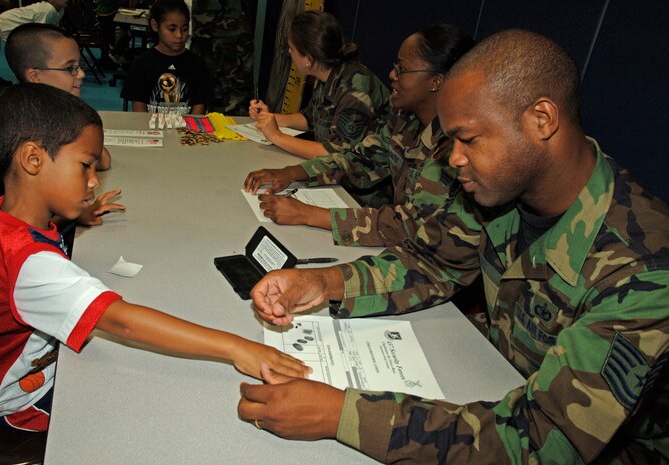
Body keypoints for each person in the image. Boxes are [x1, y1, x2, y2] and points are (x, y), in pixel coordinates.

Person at [237, 29, 669, 464]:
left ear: (541, 120)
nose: (453, 158)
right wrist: (321, 283)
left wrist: (338, 414)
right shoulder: (503, 191)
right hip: (497, 385)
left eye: (468, 139)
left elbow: (540, 444)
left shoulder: (644, 273)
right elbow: (431, 264)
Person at [0, 83, 310, 432]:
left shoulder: (0, 217)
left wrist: (69, 215)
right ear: (33, 159)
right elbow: (122, 322)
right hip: (19, 398)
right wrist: (239, 348)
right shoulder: (29, 263)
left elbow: (29, 247)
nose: (92, 182)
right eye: (85, 166)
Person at [244, 24, 475, 247]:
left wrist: (308, 214)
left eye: (402, 69)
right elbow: (360, 160)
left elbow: (408, 226)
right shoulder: (404, 119)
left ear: (436, 81)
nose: (392, 74)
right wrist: (294, 172)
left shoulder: (453, 148)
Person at [0, 23, 117, 227]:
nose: (80, 74)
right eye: (70, 68)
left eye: (78, 66)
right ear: (35, 76)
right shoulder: (25, 128)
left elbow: (103, 160)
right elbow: (24, 222)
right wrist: (79, 213)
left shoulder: (51, 114)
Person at [248, 10, 390, 160]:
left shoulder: (354, 93)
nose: (289, 52)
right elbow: (309, 119)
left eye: (292, 48)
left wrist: (276, 136)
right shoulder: (327, 72)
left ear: (308, 59)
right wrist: (269, 118)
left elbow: (333, 154)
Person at [121, 0, 212, 115]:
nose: (179, 35)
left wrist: (189, 131)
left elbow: (199, 107)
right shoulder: (142, 63)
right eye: (172, 29)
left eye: (184, 29)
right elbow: (139, 107)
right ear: (155, 25)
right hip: (150, 129)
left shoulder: (197, 64)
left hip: (187, 131)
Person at [0, 0, 69, 41]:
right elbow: (41, 32)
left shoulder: (61, 10)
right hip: (6, 23)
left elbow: (53, 27)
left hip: (18, 25)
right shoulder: (47, 10)